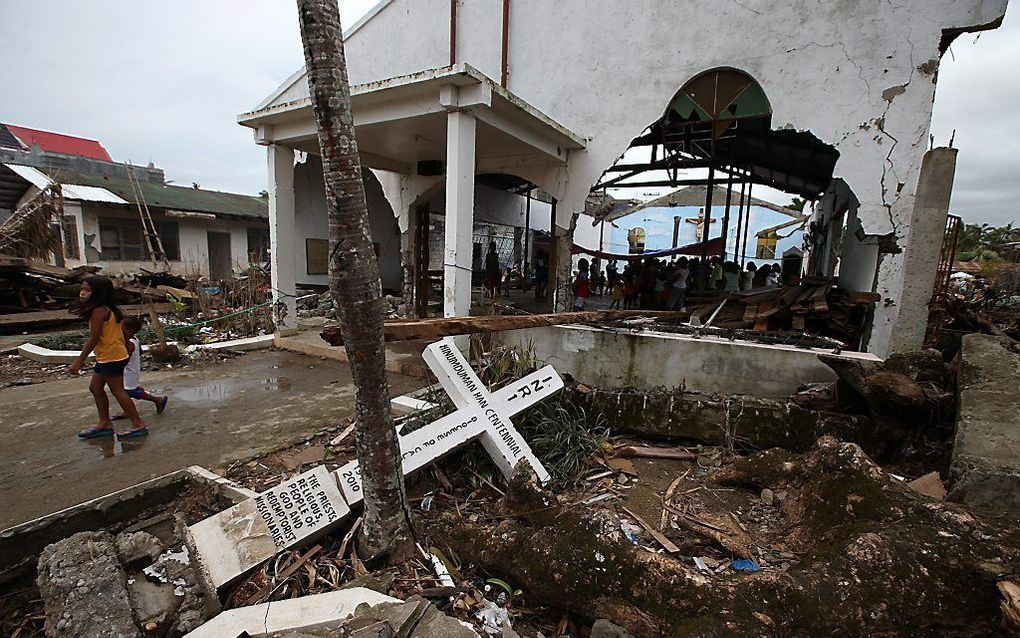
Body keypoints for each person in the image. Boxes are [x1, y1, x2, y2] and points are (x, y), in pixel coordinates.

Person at [70, 276, 148, 439]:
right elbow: (120, 332)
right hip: (109, 355)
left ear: (98, 293)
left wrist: (79, 361)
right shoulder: (109, 310)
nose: (82, 293)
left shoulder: (99, 311)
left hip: (111, 356)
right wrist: (126, 347)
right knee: (95, 388)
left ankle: (138, 424)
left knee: (118, 391)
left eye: (87, 290)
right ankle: (104, 423)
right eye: (82, 289)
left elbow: (94, 338)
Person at [117, 316, 170, 417]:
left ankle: (157, 400)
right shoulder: (135, 339)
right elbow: (140, 351)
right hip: (132, 370)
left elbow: (124, 358)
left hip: (128, 372)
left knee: (128, 392)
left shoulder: (130, 343)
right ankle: (128, 410)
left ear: (129, 331)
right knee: (126, 391)